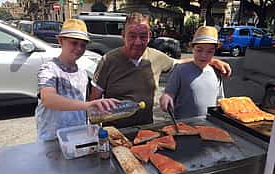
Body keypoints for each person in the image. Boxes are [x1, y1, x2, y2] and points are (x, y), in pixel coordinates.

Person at [89, 12, 231, 128]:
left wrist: (211, 60)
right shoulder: (108, 61)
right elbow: (93, 104)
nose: (138, 41)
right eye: (132, 36)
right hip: (114, 132)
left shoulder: (156, 57)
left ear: (150, 36)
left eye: (143, 36)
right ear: (123, 35)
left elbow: (180, 63)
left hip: (146, 129)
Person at [36, 19, 119, 142]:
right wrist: (87, 105)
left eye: (83, 45)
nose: (79, 48)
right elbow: (48, 99)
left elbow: (84, 107)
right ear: (60, 41)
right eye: (74, 43)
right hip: (52, 137)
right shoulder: (49, 69)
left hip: (78, 135)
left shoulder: (82, 73)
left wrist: (94, 120)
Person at [159, 26, 224, 119]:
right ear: (192, 49)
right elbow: (169, 93)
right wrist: (166, 97)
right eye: (199, 50)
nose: (204, 55)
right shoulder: (180, 70)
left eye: (210, 51)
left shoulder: (216, 72)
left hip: (209, 124)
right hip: (183, 125)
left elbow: (220, 99)